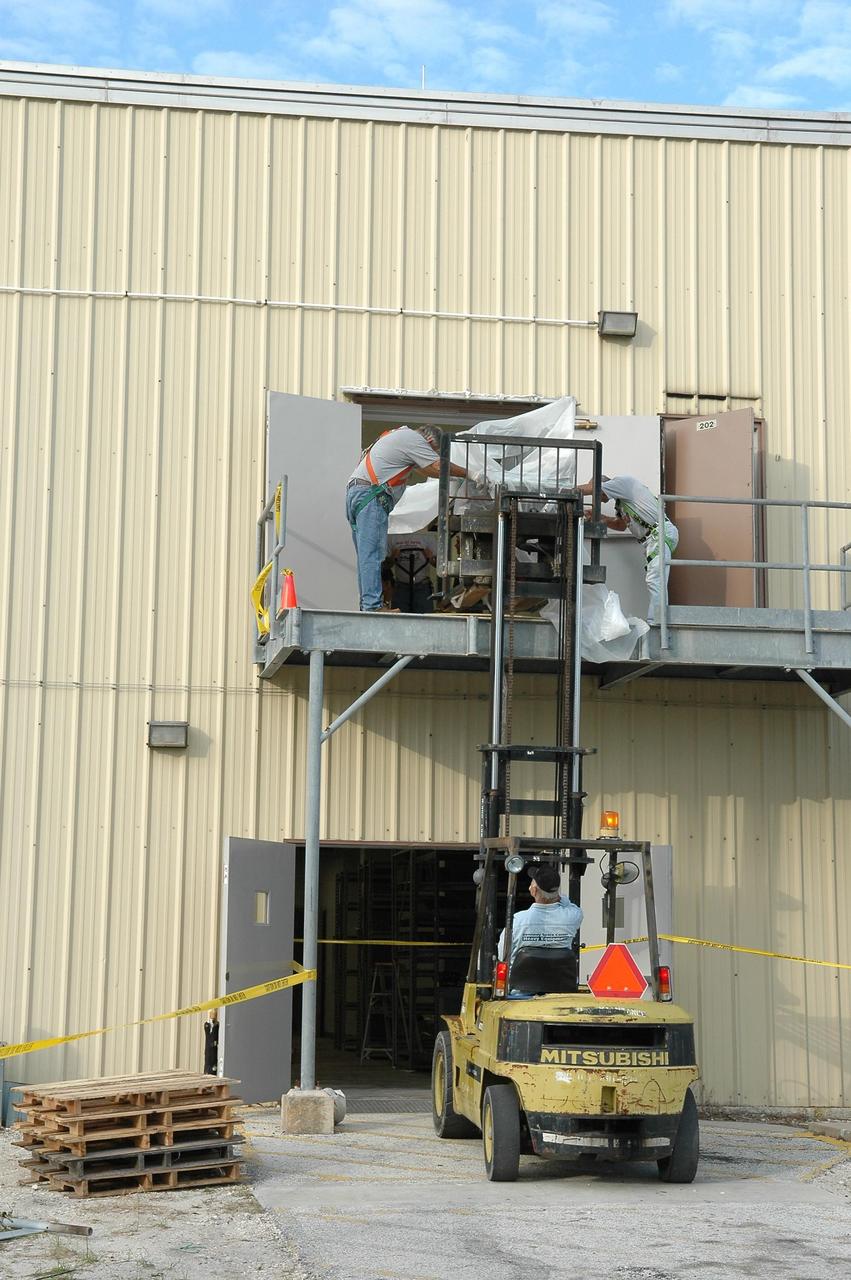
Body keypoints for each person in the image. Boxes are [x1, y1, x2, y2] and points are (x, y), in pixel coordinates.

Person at [345, 425, 468, 613]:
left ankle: (368, 606)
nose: (429, 455)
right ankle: (372, 607)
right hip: (371, 497)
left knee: (366, 556)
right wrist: (470, 474)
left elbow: (427, 470)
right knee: (372, 555)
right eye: (431, 451)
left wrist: (451, 478)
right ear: (428, 442)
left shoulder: (397, 437)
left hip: (359, 495)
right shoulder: (413, 439)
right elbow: (436, 466)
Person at [579, 474, 679, 623]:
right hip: (654, 537)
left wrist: (568, 491)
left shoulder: (623, 483)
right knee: (655, 578)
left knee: (655, 579)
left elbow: (593, 488)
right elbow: (620, 525)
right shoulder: (621, 502)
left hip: (660, 533)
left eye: (597, 494)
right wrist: (601, 518)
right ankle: (657, 621)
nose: (597, 499)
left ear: (606, 486)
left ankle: (657, 624)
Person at [498, 863, 583, 968]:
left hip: (522, 982)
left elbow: (503, 955)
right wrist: (556, 895)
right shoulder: (572, 917)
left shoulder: (517, 922)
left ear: (533, 890)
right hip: (559, 983)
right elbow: (570, 906)